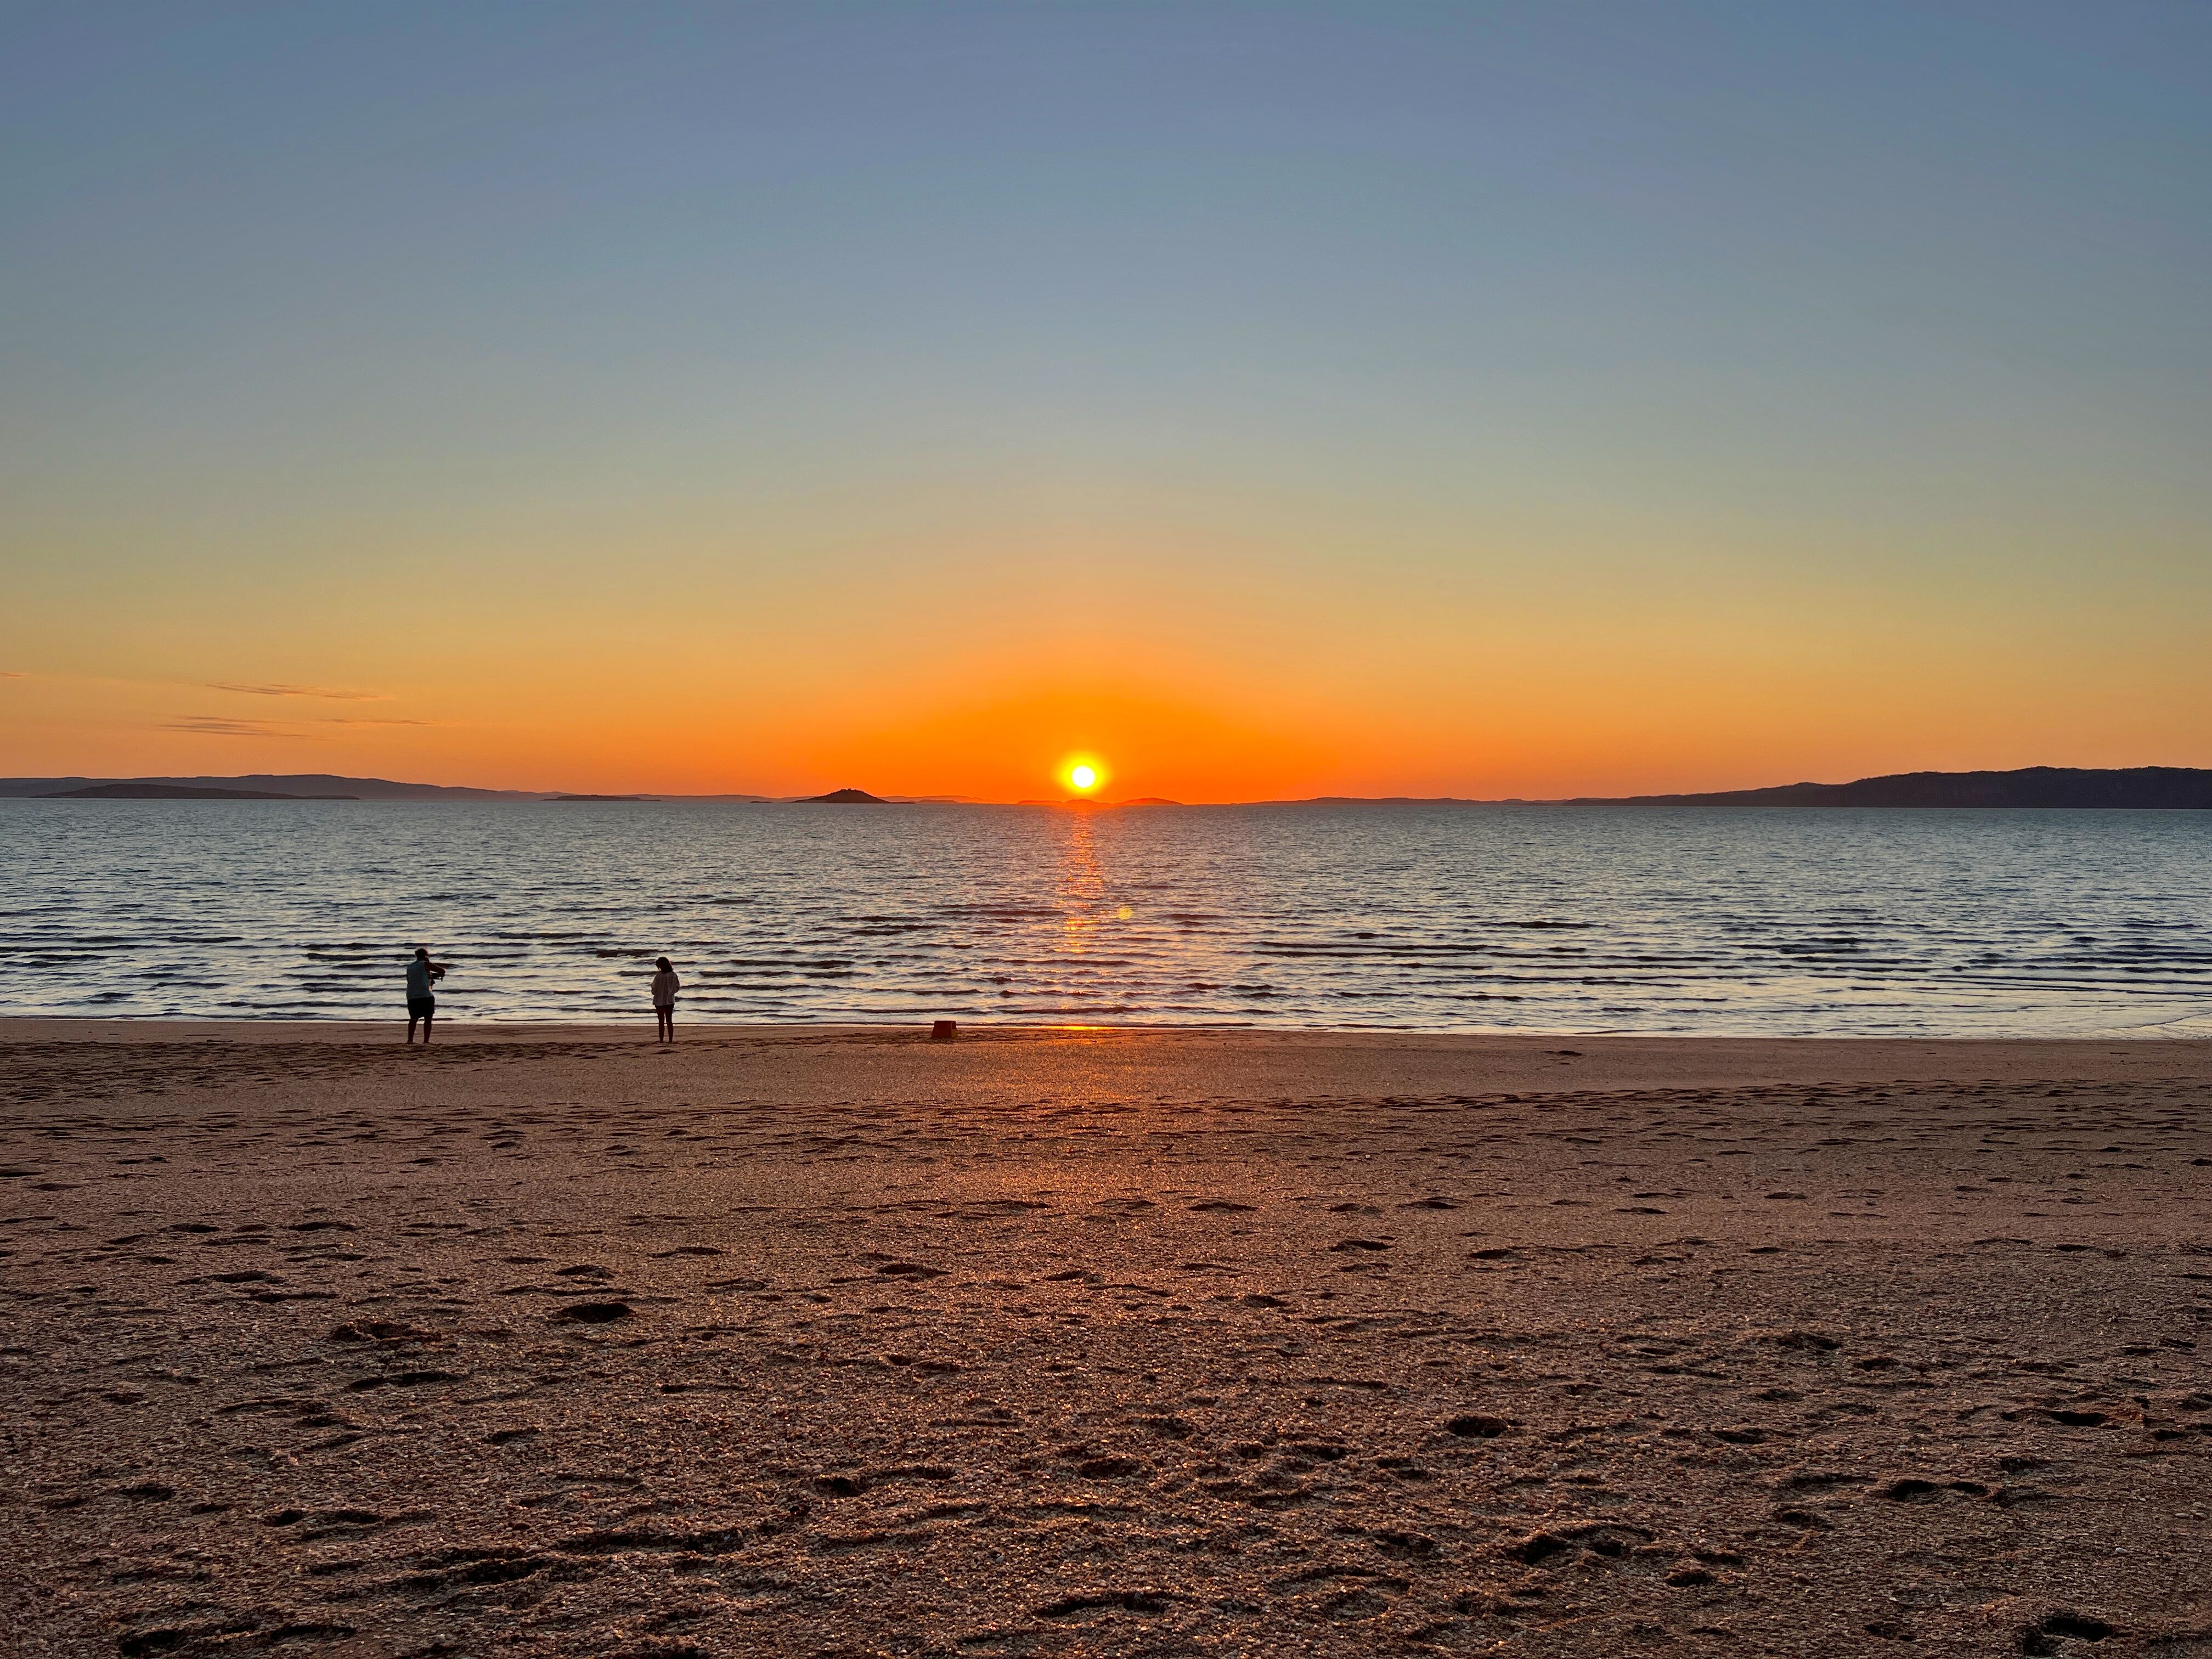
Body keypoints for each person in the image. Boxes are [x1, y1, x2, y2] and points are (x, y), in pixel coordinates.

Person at [405, 946, 448, 1045]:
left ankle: (410, 1040)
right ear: (426, 956)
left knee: (413, 1019)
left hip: (411, 995)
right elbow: (442, 971)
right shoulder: (426, 964)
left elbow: (415, 979)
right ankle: (426, 1041)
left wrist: (429, 976)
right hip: (425, 995)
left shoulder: (410, 967)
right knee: (428, 1018)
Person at [650, 956, 681, 1043]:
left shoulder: (659, 976)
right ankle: (670, 1040)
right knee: (669, 1021)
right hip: (669, 1000)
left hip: (659, 1000)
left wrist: (654, 992)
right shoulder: (673, 975)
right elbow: (677, 987)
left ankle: (661, 1040)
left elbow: (654, 987)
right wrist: (671, 993)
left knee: (661, 1021)